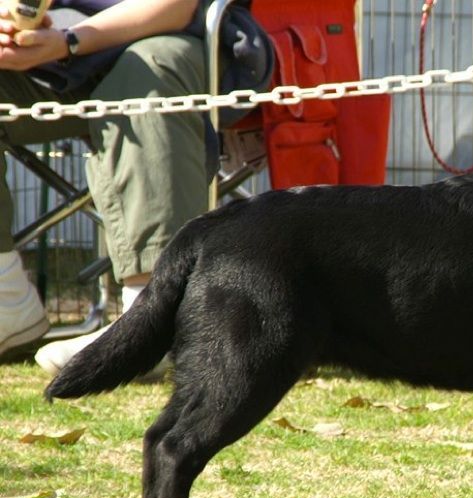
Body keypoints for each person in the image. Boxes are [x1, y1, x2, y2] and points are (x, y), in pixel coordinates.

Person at [0, 0, 272, 372]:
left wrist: (68, 42)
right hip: (57, 55)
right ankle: (7, 301)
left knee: (146, 71)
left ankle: (154, 320)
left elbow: (175, 7)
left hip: (179, 37)